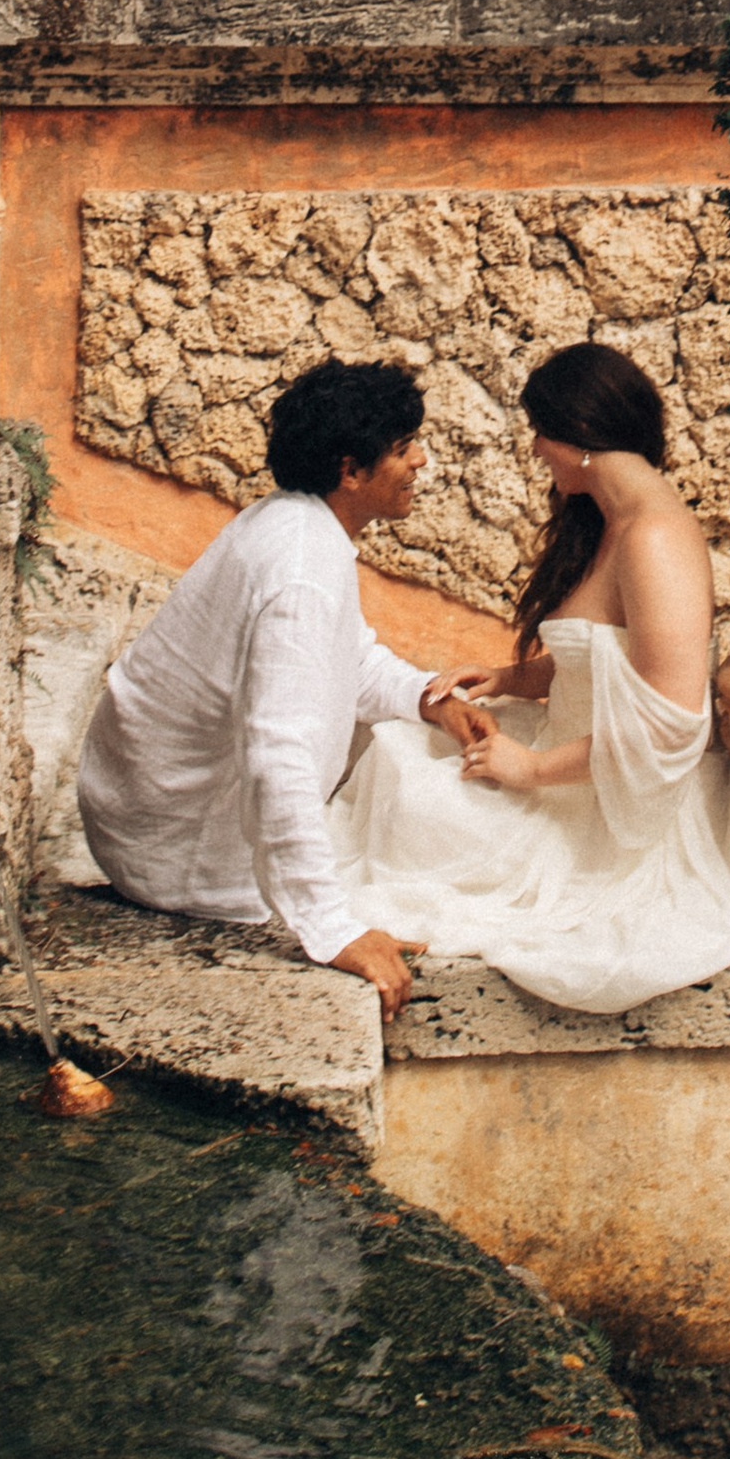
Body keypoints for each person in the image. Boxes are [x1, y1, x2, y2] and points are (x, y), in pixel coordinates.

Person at [324, 340, 730, 1014]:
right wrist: (508, 679)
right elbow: (608, 655)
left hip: (617, 803)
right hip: (574, 752)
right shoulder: (611, 519)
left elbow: (672, 727)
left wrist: (529, 770)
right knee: (401, 751)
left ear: (580, 435)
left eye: (540, 432)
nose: (534, 450)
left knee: (419, 803)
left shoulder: (656, 538)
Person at [73, 358, 484, 1023]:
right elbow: (280, 755)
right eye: (403, 447)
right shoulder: (299, 565)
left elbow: (348, 656)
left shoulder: (295, 523)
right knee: (449, 869)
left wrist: (431, 701)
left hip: (151, 820)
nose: (422, 461)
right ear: (350, 471)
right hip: (180, 852)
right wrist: (332, 929)